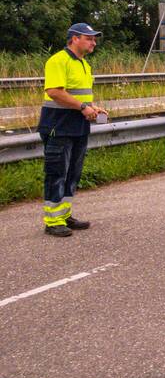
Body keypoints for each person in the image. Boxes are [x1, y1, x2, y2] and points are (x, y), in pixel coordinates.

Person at [39, 23, 109, 237]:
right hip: (58, 125)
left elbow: (80, 95)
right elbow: (54, 92)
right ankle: (52, 221)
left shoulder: (84, 64)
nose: (93, 42)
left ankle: (64, 215)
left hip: (78, 126)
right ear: (74, 39)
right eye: (89, 38)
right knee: (57, 172)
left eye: (94, 39)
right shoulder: (58, 60)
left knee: (72, 174)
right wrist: (82, 107)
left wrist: (92, 107)